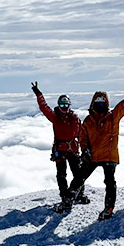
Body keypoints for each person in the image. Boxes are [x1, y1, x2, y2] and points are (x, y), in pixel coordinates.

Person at [72, 83, 124, 220]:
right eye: (97, 102)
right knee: (80, 177)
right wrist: (85, 150)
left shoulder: (113, 117)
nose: (100, 105)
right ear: (93, 103)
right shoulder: (88, 121)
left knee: (110, 182)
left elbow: (123, 107)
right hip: (92, 155)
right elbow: (83, 137)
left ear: (107, 103)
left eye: (102, 102)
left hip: (109, 155)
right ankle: (68, 199)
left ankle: (108, 208)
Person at [31, 81, 90, 212]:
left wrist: (86, 148)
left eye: (66, 104)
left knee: (78, 173)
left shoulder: (75, 119)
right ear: (58, 105)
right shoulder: (55, 117)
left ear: (69, 106)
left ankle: (78, 194)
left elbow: (82, 134)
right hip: (61, 150)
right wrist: (39, 94)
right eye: (62, 104)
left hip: (73, 149)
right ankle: (65, 196)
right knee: (61, 174)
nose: (64, 107)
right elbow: (44, 108)